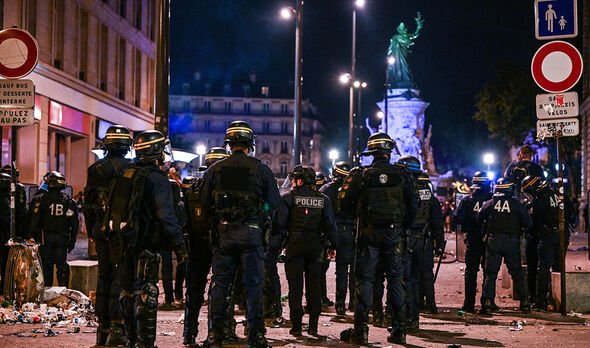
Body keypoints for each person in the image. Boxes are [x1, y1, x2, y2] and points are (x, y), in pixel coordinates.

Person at [201, 120, 280, 348]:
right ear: (250, 144)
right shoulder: (261, 169)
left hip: (224, 233)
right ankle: (256, 336)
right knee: (253, 285)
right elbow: (273, 203)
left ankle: (216, 334)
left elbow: (204, 203)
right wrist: (259, 213)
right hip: (252, 233)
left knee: (221, 285)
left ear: (229, 144)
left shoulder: (215, 169)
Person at [108, 130, 188, 348]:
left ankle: (130, 340)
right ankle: (146, 344)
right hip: (146, 244)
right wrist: (180, 248)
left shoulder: (126, 174)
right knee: (147, 294)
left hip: (124, 243)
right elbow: (166, 216)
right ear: (156, 151)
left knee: (128, 293)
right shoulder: (157, 179)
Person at [339, 132, 417, 345]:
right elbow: (413, 205)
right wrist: (403, 227)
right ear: (389, 151)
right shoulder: (402, 174)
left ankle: (361, 331)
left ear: (371, 152)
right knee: (396, 280)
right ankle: (400, 331)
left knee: (365, 280)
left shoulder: (361, 174)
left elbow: (344, 203)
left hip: (368, 232)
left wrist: (358, 215)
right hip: (393, 233)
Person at [83, 124, 133, 345]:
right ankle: (117, 325)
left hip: (100, 229)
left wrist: (93, 229)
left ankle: (101, 328)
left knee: (104, 276)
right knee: (120, 276)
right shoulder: (132, 169)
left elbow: (88, 202)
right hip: (122, 230)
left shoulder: (95, 169)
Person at [275, 165, 337, 336]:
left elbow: (279, 224)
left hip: (294, 246)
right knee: (314, 287)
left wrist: (279, 245)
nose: (292, 183)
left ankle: (296, 326)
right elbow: (331, 225)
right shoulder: (323, 199)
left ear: (300, 180)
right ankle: (313, 326)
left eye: (294, 179)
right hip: (315, 246)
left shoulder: (288, 198)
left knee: (295, 287)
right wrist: (333, 246)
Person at [183, 147, 228, 346]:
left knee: (193, 291)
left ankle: (188, 334)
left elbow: (184, 220)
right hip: (219, 244)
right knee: (219, 290)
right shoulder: (225, 190)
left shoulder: (193, 188)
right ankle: (215, 333)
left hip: (196, 243)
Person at [396, 157, 444, 330]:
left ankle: (405, 318)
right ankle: (415, 318)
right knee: (418, 279)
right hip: (423, 241)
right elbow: (437, 220)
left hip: (406, 239)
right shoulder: (428, 193)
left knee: (403, 280)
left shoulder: (404, 190)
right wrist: (439, 243)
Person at [478, 178, 532, 315]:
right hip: (511, 241)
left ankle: (487, 304)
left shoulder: (490, 203)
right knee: (517, 273)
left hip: (493, 240)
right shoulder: (517, 204)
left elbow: (479, 217)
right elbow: (528, 223)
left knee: (490, 274)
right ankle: (525, 303)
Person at [29, 171, 78, 287]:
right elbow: (74, 223)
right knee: (61, 266)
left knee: (47, 265)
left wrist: (33, 238)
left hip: (46, 238)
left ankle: (47, 292)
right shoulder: (68, 201)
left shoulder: (40, 199)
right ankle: (63, 291)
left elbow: (34, 221)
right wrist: (72, 241)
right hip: (62, 238)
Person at [453, 171, 493, 313]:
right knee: (489, 272)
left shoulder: (467, 200)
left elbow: (457, 218)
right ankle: (488, 303)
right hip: (489, 240)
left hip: (473, 239)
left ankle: (469, 304)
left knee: (471, 272)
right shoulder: (492, 200)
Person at [319, 161, 355, 316]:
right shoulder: (353, 190)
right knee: (347, 270)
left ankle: (330, 301)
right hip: (349, 231)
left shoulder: (326, 189)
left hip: (330, 231)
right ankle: (348, 304)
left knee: (324, 268)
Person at [521, 175, 561, 311]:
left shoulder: (539, 200)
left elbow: (534, 221)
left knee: (543, 268)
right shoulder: (556, 193)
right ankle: (559, 300)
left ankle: (540, 301)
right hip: (561, 234)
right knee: (558, 268)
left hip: (547, 235)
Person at [160, 169, 187, 310]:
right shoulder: (180, 205)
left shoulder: (163, 205)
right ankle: (178, 295)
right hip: (178, 235)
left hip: (165, 235)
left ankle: (169, 298)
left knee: (167, 266)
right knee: (181, 264)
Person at [0, 170, 28, 295]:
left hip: (6, 235)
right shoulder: (13, 195)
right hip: (8, 235)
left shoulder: (11, 196)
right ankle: (6, 289)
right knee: (7, 264)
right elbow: (21, 214)